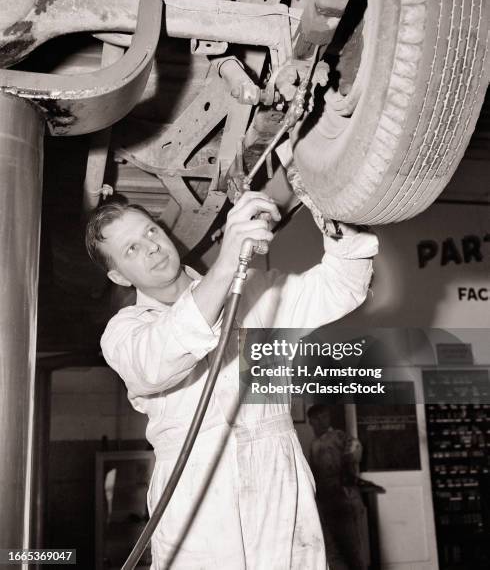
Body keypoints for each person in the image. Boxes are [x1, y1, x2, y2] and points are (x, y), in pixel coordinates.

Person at [85, 189, 378, 569]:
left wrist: (341, 216)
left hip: (279, 478)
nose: (152, 248)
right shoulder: (125, 332)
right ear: (118, 275)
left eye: (152, 232)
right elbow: (161, 357)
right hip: (198, 493)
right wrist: (228, 262)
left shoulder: (254, 290)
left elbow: (340, 287)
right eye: (131, 249)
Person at [307, 405, 369, 570]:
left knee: (354, 548)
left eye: (322, 417)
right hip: (327, 502)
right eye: (315, 419)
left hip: (344, 499)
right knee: (335, 550)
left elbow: (356, 447)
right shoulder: (314, 445)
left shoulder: (338, 436)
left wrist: (346, 469)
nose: (319, 422)